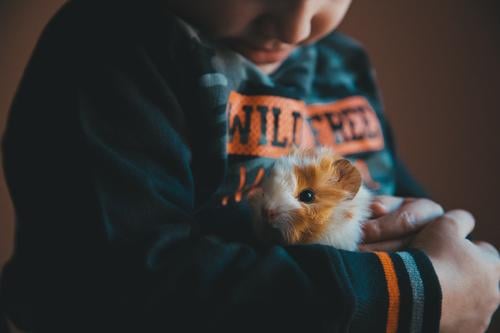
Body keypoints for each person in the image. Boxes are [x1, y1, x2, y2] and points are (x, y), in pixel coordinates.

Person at [0, 0, 498, 332]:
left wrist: (451, 252)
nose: (298, 27)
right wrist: (406, 293)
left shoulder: (345, 63)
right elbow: (129, 284)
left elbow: (399, 195)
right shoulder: (108, 49)